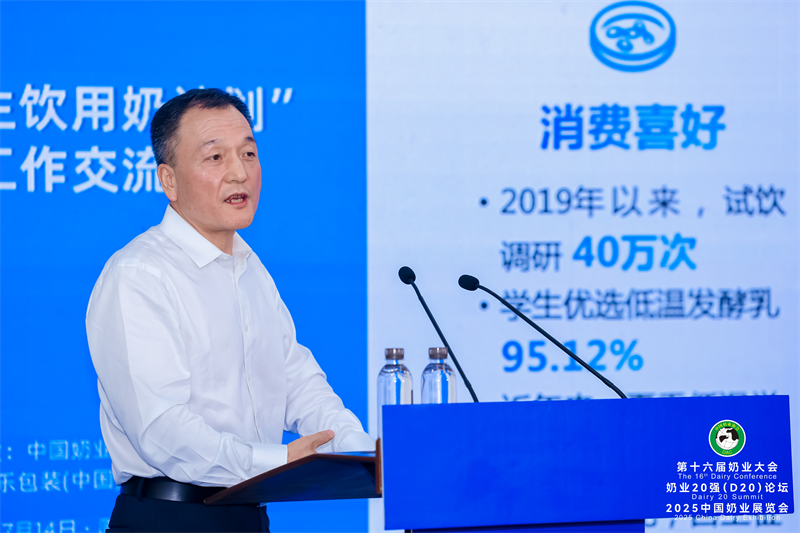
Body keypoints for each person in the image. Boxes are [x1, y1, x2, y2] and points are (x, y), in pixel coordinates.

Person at [86, 88, 374, 533]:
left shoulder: (250, 268)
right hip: (169, 519)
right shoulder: (139, 274)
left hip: (248, 514)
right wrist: (277, 460)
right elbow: (161, 430)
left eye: (248, 153)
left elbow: (297, 382)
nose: (240, 172)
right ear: (169, 180)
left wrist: (360, 451)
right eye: (216, 157)